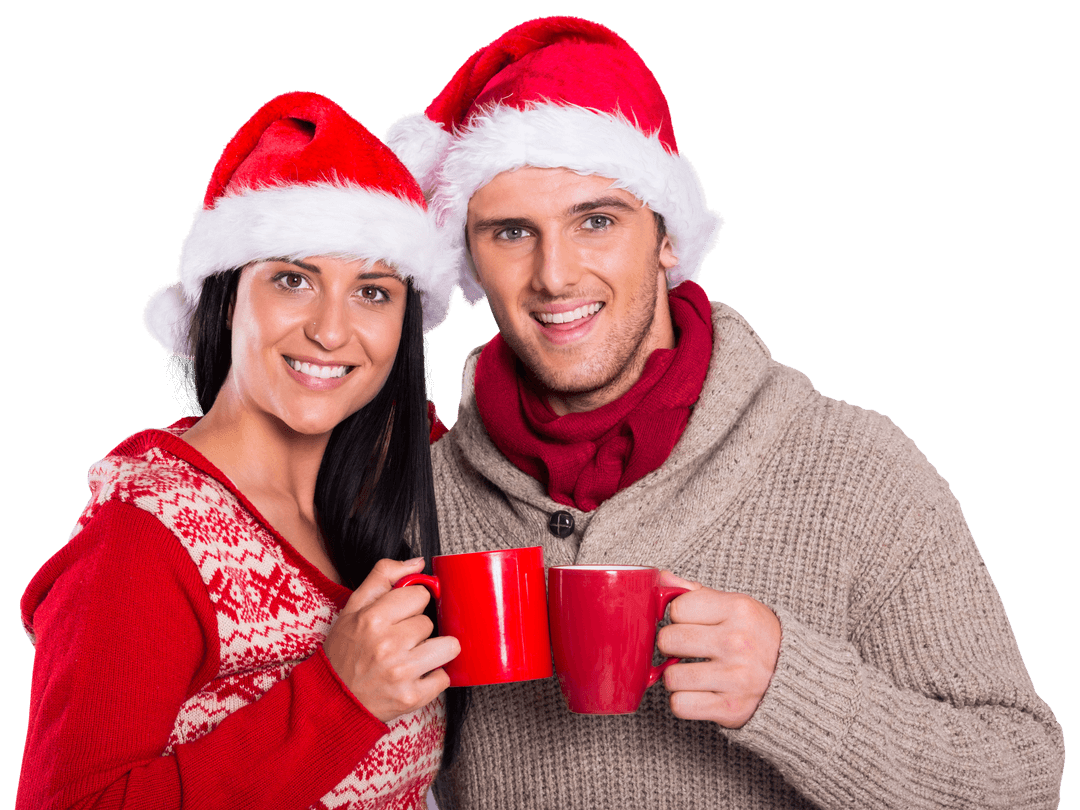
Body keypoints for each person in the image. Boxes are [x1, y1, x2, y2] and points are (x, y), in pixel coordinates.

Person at [385, 16, 1066, 809]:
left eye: (596, 220)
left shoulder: (854, 469)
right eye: (511, 233)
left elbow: (1020, 781)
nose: (555, 274)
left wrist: (794, 691)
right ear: (471, 257)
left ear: (668, 237)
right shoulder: (419, 501)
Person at [17, 91, 463, 809]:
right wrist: (339, 699)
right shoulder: (145, 537)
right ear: (225, 300)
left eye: (373, 293)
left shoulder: (389, 479)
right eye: (292, 280)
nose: (330, 331)